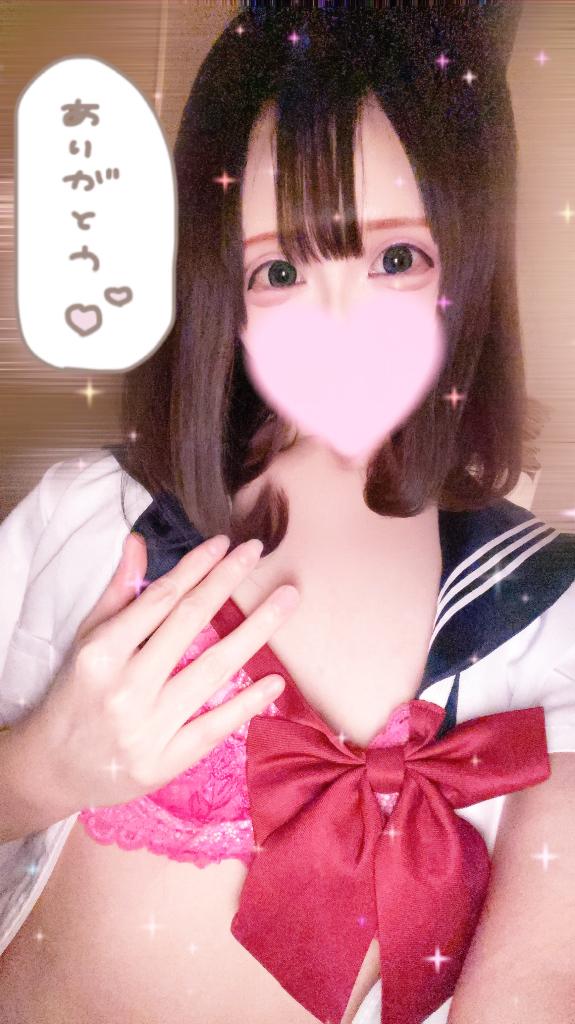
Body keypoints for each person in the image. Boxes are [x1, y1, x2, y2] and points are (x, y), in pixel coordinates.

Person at [1, 4, 575, 1023]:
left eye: (395, 259)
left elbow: (537, 979)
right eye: (279, 271)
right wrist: (41, 769)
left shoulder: (542, 613)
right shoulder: (95, 521)